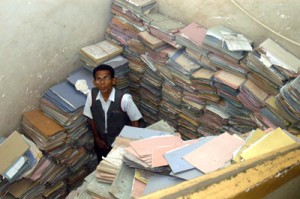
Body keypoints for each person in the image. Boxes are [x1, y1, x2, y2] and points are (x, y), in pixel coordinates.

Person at [83, 64, 143, 163]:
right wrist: (97, 138)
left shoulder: (124, 99)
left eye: (106, 78)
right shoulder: (91, 95)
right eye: (98, 79)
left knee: (120, 164)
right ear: (94, 82)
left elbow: (135, 121)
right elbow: (91, 118)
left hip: (120, 140)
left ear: (113, 81)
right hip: (102, 140)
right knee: (104, 163)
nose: (102, 83)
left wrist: (129, 142)